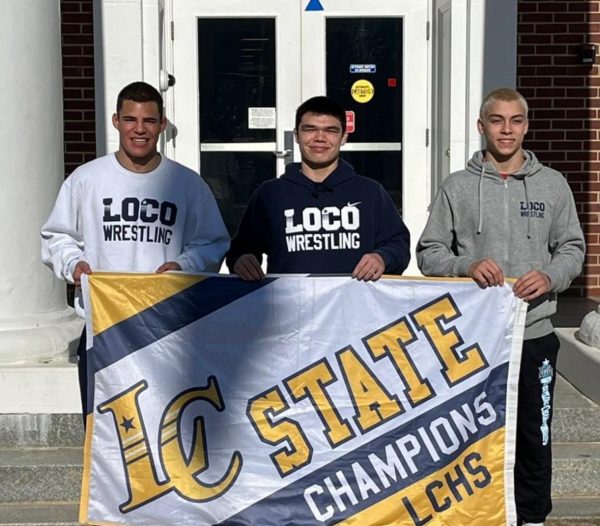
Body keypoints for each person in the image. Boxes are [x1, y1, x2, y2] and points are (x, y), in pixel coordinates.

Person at [416, 88, 585, 526]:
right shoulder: (457, 186)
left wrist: (549, 276)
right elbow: (429, 252)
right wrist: (464, 265)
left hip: (534, 334)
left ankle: (531, 517)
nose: (506, 130)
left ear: (526, 126)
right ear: (481, 126)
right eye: (496, 120)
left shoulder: (552, 184)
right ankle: (469, 514)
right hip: (474, 340)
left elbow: (572, 248)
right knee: (467, 436)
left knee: (534, 434)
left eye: (515, 121)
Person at [41, 81, 229, 416]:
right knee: (104, 426)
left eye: (148, 121)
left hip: (167, 323)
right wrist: (73, 265)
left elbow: (213, 241)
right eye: (130, 120)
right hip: (104, 326)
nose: (139, 130)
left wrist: (183, 265)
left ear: (162, 124)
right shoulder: (87, 179)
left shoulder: (186, 183)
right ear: (116, 121)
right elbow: (57, 236)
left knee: (167, 422)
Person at [226, 95, 410, 280]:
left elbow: (398, 244)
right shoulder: (270, 194)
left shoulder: (370, 192)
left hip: (354, 304)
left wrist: (382, 258)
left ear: (344, 137)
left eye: (330, 130)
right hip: (290, 306)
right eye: (310, 129)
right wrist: (241, 259)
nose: (320, 138)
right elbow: (241, 247)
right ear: (296, 135)